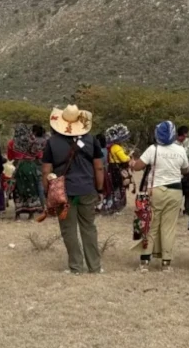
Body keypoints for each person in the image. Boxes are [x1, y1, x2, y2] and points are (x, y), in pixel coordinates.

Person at [42, 105, 105, 275]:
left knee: (68, 229)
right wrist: (99, 189)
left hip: (64, 192)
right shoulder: (92, 140)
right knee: (89, 227)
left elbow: (46, 171)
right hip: (87, 189)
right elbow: (99, 168)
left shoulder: (52, 142)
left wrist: (48, 191)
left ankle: (76, 266)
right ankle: (95, 266)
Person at [129, 121, 189, 272]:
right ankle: (166, 263)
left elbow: (138, 167)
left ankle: (144, 262)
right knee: (169, 227)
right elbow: (185, 169)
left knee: (151, 225)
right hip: (175, 190)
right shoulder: (180, 149)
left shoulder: (153, 149)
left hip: (156, 190)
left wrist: (131, 162)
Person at [7, 124, 46, 220]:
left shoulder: (12, 143)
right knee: (32, 190)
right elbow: (39, 156)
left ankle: (18, 215)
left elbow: (10, 157)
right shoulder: (33, 142)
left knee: (18, 190)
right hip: (31, 168)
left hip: (18, 168)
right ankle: (31, 214)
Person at [102, 124, 132, 215]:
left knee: (114, 187)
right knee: (118, 187)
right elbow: (124, 159)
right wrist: (129, 156)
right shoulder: (117, 147)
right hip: (117, 169)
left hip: (112, 168)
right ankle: (116, 206)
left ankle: (112, 205)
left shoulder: (112, 147)